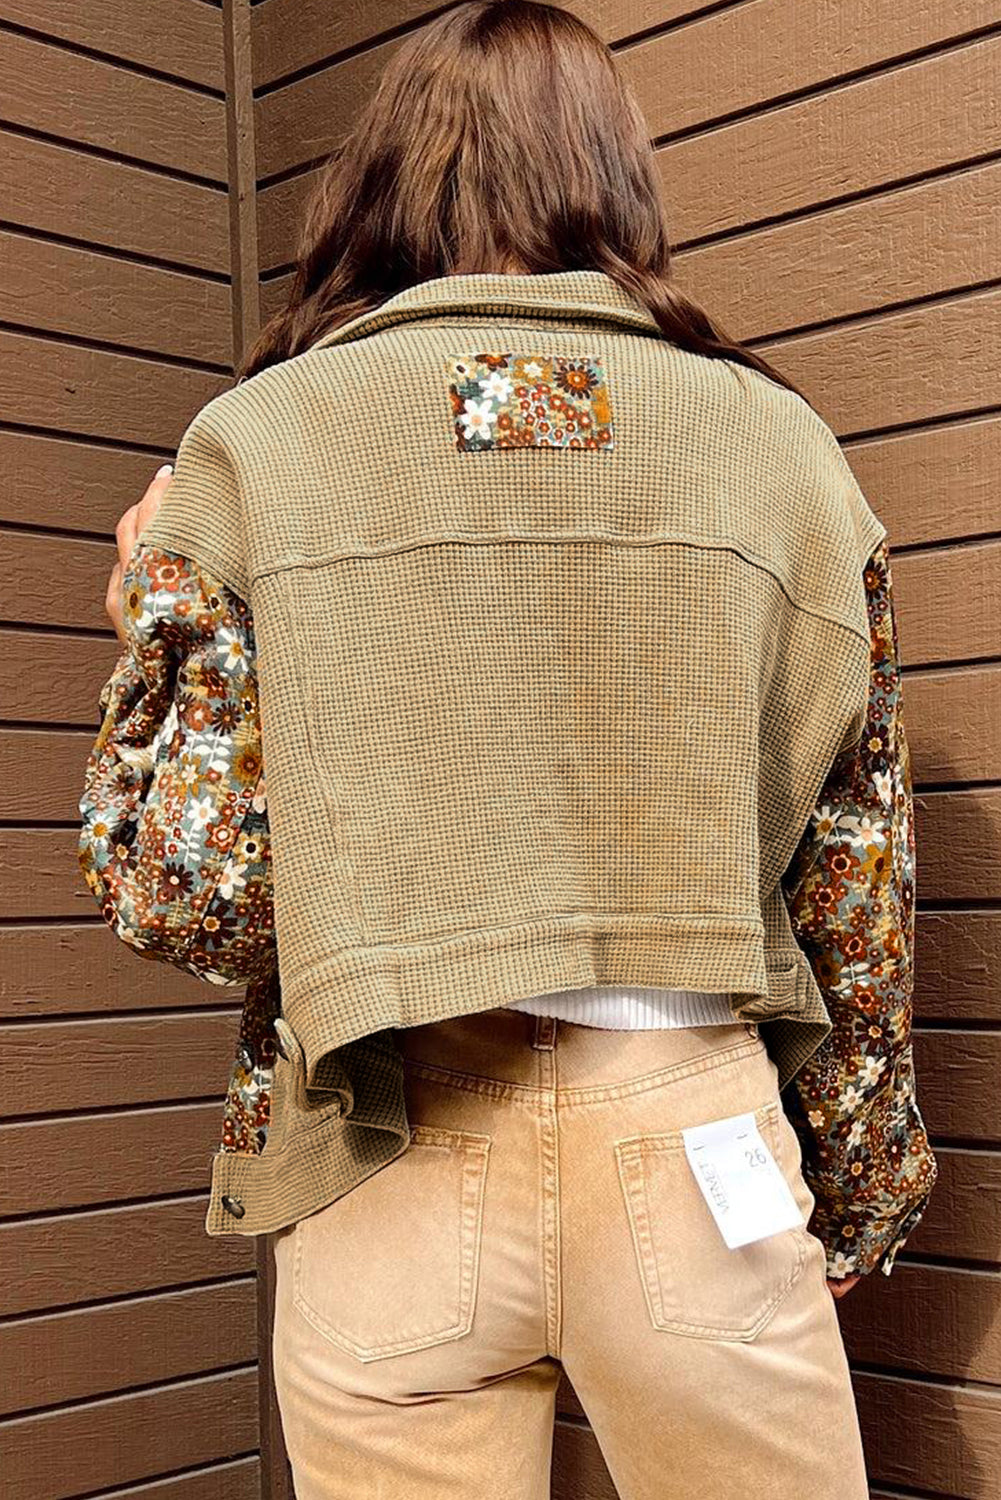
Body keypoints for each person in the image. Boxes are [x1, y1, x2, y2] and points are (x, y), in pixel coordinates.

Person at [77, 2, 937, 1496]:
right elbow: (854, 877)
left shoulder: (256, 447)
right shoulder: (779, 451)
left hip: (387, 1146)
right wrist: (859, 1179)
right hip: (691, 1145)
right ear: (617, 178)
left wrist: (142, 626)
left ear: (380, 180)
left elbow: (186, 897)